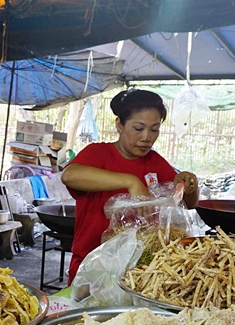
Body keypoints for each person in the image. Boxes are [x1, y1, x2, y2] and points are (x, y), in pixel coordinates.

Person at [61, 88, 199, 284]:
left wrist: (190, 184)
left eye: (154, 129)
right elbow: (70, 175)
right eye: (138, 128)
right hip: (93, 268)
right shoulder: (98, 153)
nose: (146, 137)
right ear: (119, 125)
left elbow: (189, 204)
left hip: (140, 271)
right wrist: (131, 181)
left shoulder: (154, 162)